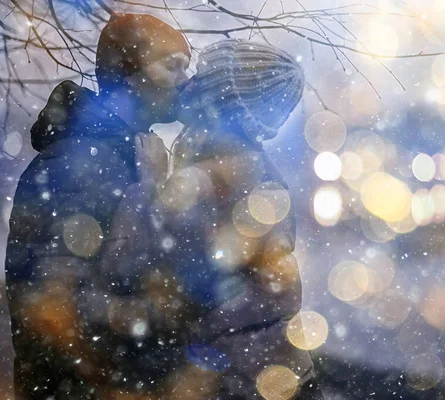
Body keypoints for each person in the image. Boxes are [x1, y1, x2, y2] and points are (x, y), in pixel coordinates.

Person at [104, 39, 322, 399]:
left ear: (220, 99)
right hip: (272, 374)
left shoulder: (210, 179)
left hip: (237, 382)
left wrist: (149, 186)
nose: (188, 82)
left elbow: (130, 267)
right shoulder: (252, 170)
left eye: (203, 75)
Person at [4, 13, 190, 399]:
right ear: (128, 73)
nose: (184, 81)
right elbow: (55, 305)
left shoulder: (123, 157)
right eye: (172, 66)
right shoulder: (80, 166)